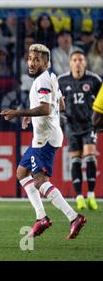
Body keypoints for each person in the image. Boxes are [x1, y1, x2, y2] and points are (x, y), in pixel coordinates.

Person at [0, 43, 86, 239]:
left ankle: (74, 217)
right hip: (44, 135)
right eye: (30, 59)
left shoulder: (43, 81)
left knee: (40, 181)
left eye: (37, 60)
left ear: (46, 62)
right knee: (22, 172)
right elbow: (60, 105)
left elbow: (47, 109)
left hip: (45, 138)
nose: (31, 63)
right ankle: (41, 218)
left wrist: (18, 112)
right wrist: (33, 115)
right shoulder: (51, 77)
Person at [58, 50, 101, 210]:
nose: (78, 62)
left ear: (85, 62)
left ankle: (91, 195)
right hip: (71, 125)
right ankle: (79, 197)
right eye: (75, 60)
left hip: (89, 124)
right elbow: (56, 102)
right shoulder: (62, 80)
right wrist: (60, 115)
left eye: (81, 60)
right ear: (70, 63)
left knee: (90, 156)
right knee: (75, 159)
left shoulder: (94, 80)